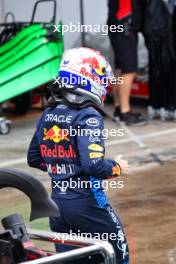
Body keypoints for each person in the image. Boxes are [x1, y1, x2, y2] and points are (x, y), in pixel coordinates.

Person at [27, 47, 130, 263]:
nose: (104, 84)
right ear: (88, 76)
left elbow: (34, 158)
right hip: (88, 204)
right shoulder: (88, 115)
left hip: (57, 206)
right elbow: (93, 166)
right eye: (101, 77)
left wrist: (62, 166)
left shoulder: (49, 112)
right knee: (117, 256)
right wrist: (117, 167)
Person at [107, 0, 146, 125]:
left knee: (121, 69)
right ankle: (125, 112)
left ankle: (119, 108)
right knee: (129, 70)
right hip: (124, 24)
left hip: (119, 23)